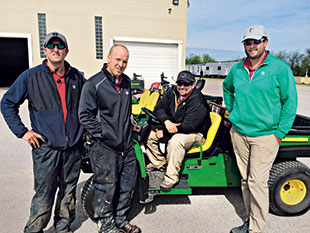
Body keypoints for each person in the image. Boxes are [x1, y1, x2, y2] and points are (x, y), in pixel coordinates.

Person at [1, 32, 85, 233]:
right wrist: (23, 132)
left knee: (68, 190)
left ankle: (63, 226)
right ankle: (33, 229)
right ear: (45, 50)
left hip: (72, 147)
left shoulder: (76, 77)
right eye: (51, 46)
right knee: (44, 192)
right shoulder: (31, 76)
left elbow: (91, 105)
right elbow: (7, 103)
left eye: (60, 46)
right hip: (45, 147)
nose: (56, 49)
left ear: (66, 50)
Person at [223, 25, 298, 233]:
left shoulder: (280, 68)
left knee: (257, 182)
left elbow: (290, 103)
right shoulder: (237, 69)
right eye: (248, 42)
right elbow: (227, 88)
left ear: (265, 42)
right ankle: (250, 220)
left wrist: (278, 134)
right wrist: (232, 110)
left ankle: (256, 229)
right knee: (246, 181)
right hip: (239, 133)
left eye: (256, 41)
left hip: (266, 136)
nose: (252, 46)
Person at [78, 44, 141, 233]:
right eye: (118, 60)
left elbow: (125, 110)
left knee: (127, 184)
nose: (121, 64)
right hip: (105, 147)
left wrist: (131, 123)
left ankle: (121, 219)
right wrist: (103, 134)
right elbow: (84, 115)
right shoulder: (94, 84)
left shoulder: (127, 83)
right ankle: (106, 226)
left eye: (125, 61)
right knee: (106, 186)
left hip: (126, 145)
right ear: (108, 58)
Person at [145, 70, 211, 191]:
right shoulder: (173, 92)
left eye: (186, 84)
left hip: (196, 133)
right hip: (177, 126)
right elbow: (159, 108)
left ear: (193, 85)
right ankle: (159, 163)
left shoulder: (197, 100)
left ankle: (171, 178)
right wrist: (166, 122)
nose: (182, 87)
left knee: (176, 141)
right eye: (179, 83)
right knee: (150, 133)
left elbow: (188, 127)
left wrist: (165, 132)